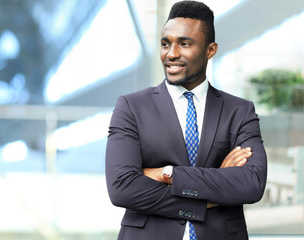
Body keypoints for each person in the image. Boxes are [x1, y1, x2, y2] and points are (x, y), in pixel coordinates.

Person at [105, 1, 267, 239]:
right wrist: (209, 195)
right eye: (165, 44)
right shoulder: (131, 107)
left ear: (210, 50)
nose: (171, 54)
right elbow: (122, 188)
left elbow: (251, 184)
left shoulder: (240, 111)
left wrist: (167, 173)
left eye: (184, 43)